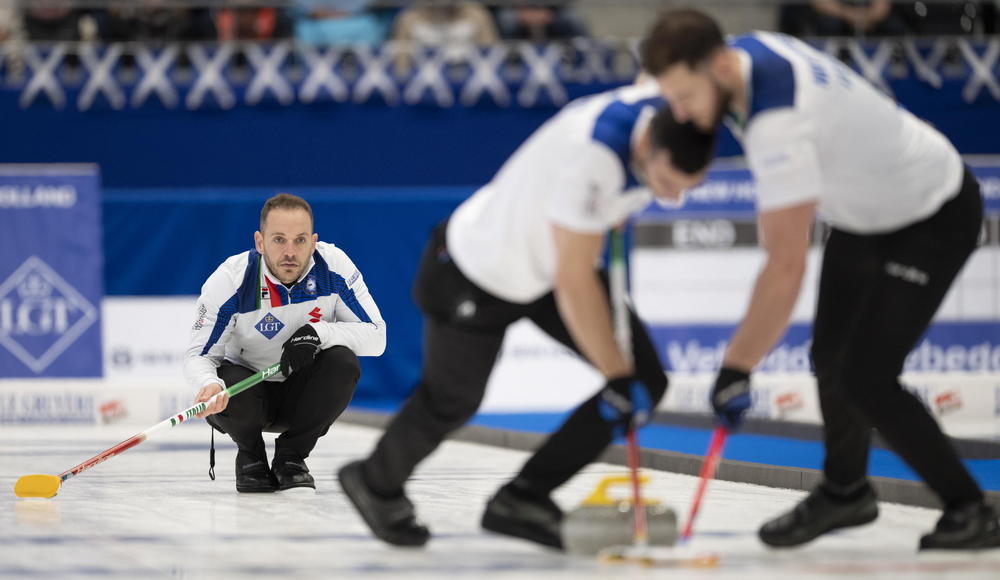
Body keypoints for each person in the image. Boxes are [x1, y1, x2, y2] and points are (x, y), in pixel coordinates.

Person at [642, 9, 999, 551]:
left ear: (717, 66)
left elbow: (785, 264)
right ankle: (846, 491)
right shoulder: (740, 55)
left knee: (868, 376)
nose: (682, 113)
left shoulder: (778, 120)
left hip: (932, 213)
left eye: (685, 98)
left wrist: (736, 367)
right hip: (863, 216)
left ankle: (971, 508)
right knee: (830, 358)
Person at [337, 83, 715, 549]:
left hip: (550, 264)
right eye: (667, 184)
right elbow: (576, 281)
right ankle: (375, 481)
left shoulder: (662, 111)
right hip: (481, 268)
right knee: (452, 401)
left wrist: (623, 378)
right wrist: (616, 375)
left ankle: (523, 498)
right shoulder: (593, 161)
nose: (673, 199)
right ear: (645, 146)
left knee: (641, 384)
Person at [185, 193, 386, 493]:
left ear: (314, 241)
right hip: (245, 397)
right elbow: (198, 355)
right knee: (226, 378)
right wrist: (208, 383)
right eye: (279, 240)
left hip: (301, 397)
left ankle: (291, 458)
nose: (290, 251)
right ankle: (251, 457)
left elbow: (377, 336)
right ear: (260, 242)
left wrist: (318, 333)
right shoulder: (230, 280)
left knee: (343, 361)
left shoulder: (334, 268)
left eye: (300, 240)